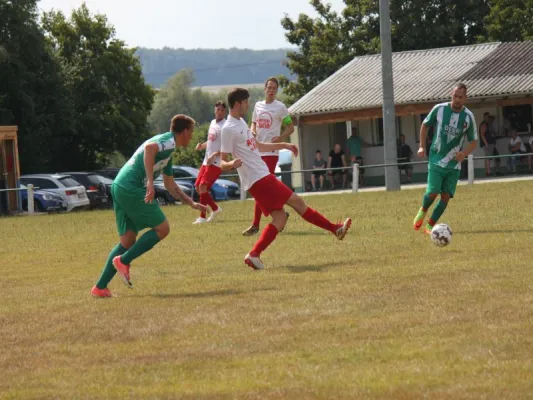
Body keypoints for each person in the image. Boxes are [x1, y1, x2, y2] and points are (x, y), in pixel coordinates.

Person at [220, 88, 352, 270]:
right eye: (245, 102)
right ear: (237, 103)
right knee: (297, 202)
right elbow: (221, 162)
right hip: (260, 179)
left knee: (280, 218)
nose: (247, 105)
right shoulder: (228, 129)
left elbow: (257, 146)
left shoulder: (241, 122)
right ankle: (335, 229)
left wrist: (284, 144)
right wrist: (231, 163)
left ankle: (254, 255)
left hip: (260, 178)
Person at [91, 114, 207, 298]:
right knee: (163, 228)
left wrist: (191, 202)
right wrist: (150, 183)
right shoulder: (168, 141)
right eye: (191, 132)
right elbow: (149, 148)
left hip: (119, 186)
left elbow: (170, 185)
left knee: (128, 240)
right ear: (184, 131)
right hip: (131, 187)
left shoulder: (168, 153)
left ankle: (100, 288)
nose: (192, 136)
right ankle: (123, 261)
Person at [413, 83, 478, 234]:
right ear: (451, 94)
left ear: (465, 98)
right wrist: (422, 146)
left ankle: (430, 227)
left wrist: (464, 154)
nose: (457, 100)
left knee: (446, 196)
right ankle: (423, 211)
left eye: (460, 97)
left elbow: (473, 140)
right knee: (433, 192)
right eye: (455, 96)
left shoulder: (468, 117)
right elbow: (425, 125)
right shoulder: (439, 109)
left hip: (454, 164)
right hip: (436, 158)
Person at [242, 77, 294, 236]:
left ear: (276, 91)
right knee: (263, 188)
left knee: (261, 187)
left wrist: (281, 137)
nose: (271, 90)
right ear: (265, 89)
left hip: (271, 152)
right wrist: (253, 130)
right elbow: (254, 123)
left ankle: (256, 224)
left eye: (274, 88)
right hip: (257, 151)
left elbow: (291, 127)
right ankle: (281, 214)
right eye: (269, 87)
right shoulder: (258, 106)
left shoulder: (280, 107)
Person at [193, 100, 227, 224]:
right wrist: (202, 146)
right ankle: (215, 208)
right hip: (206, 161)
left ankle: (202, 217)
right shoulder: (212, 123)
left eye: (222, 110)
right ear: (214, 110)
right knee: (198, 187)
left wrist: (215, 154)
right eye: (218, 109)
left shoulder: (225, 127)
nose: (220, 112)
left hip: (216, 163)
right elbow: (211, 142)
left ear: (225, 112)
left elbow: (226, 147)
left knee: (203, 187)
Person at [479, 112, 497, 176]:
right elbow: (482, 134)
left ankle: (487, 171)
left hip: (489, 143)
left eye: (488, 117)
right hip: (487, 144)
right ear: (485, 117)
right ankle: (488, 172)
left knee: (487, 158)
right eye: (487, 117)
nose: (488, 118)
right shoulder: (484, 124)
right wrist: (486, 143)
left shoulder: (488, 124)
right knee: (488, 157)